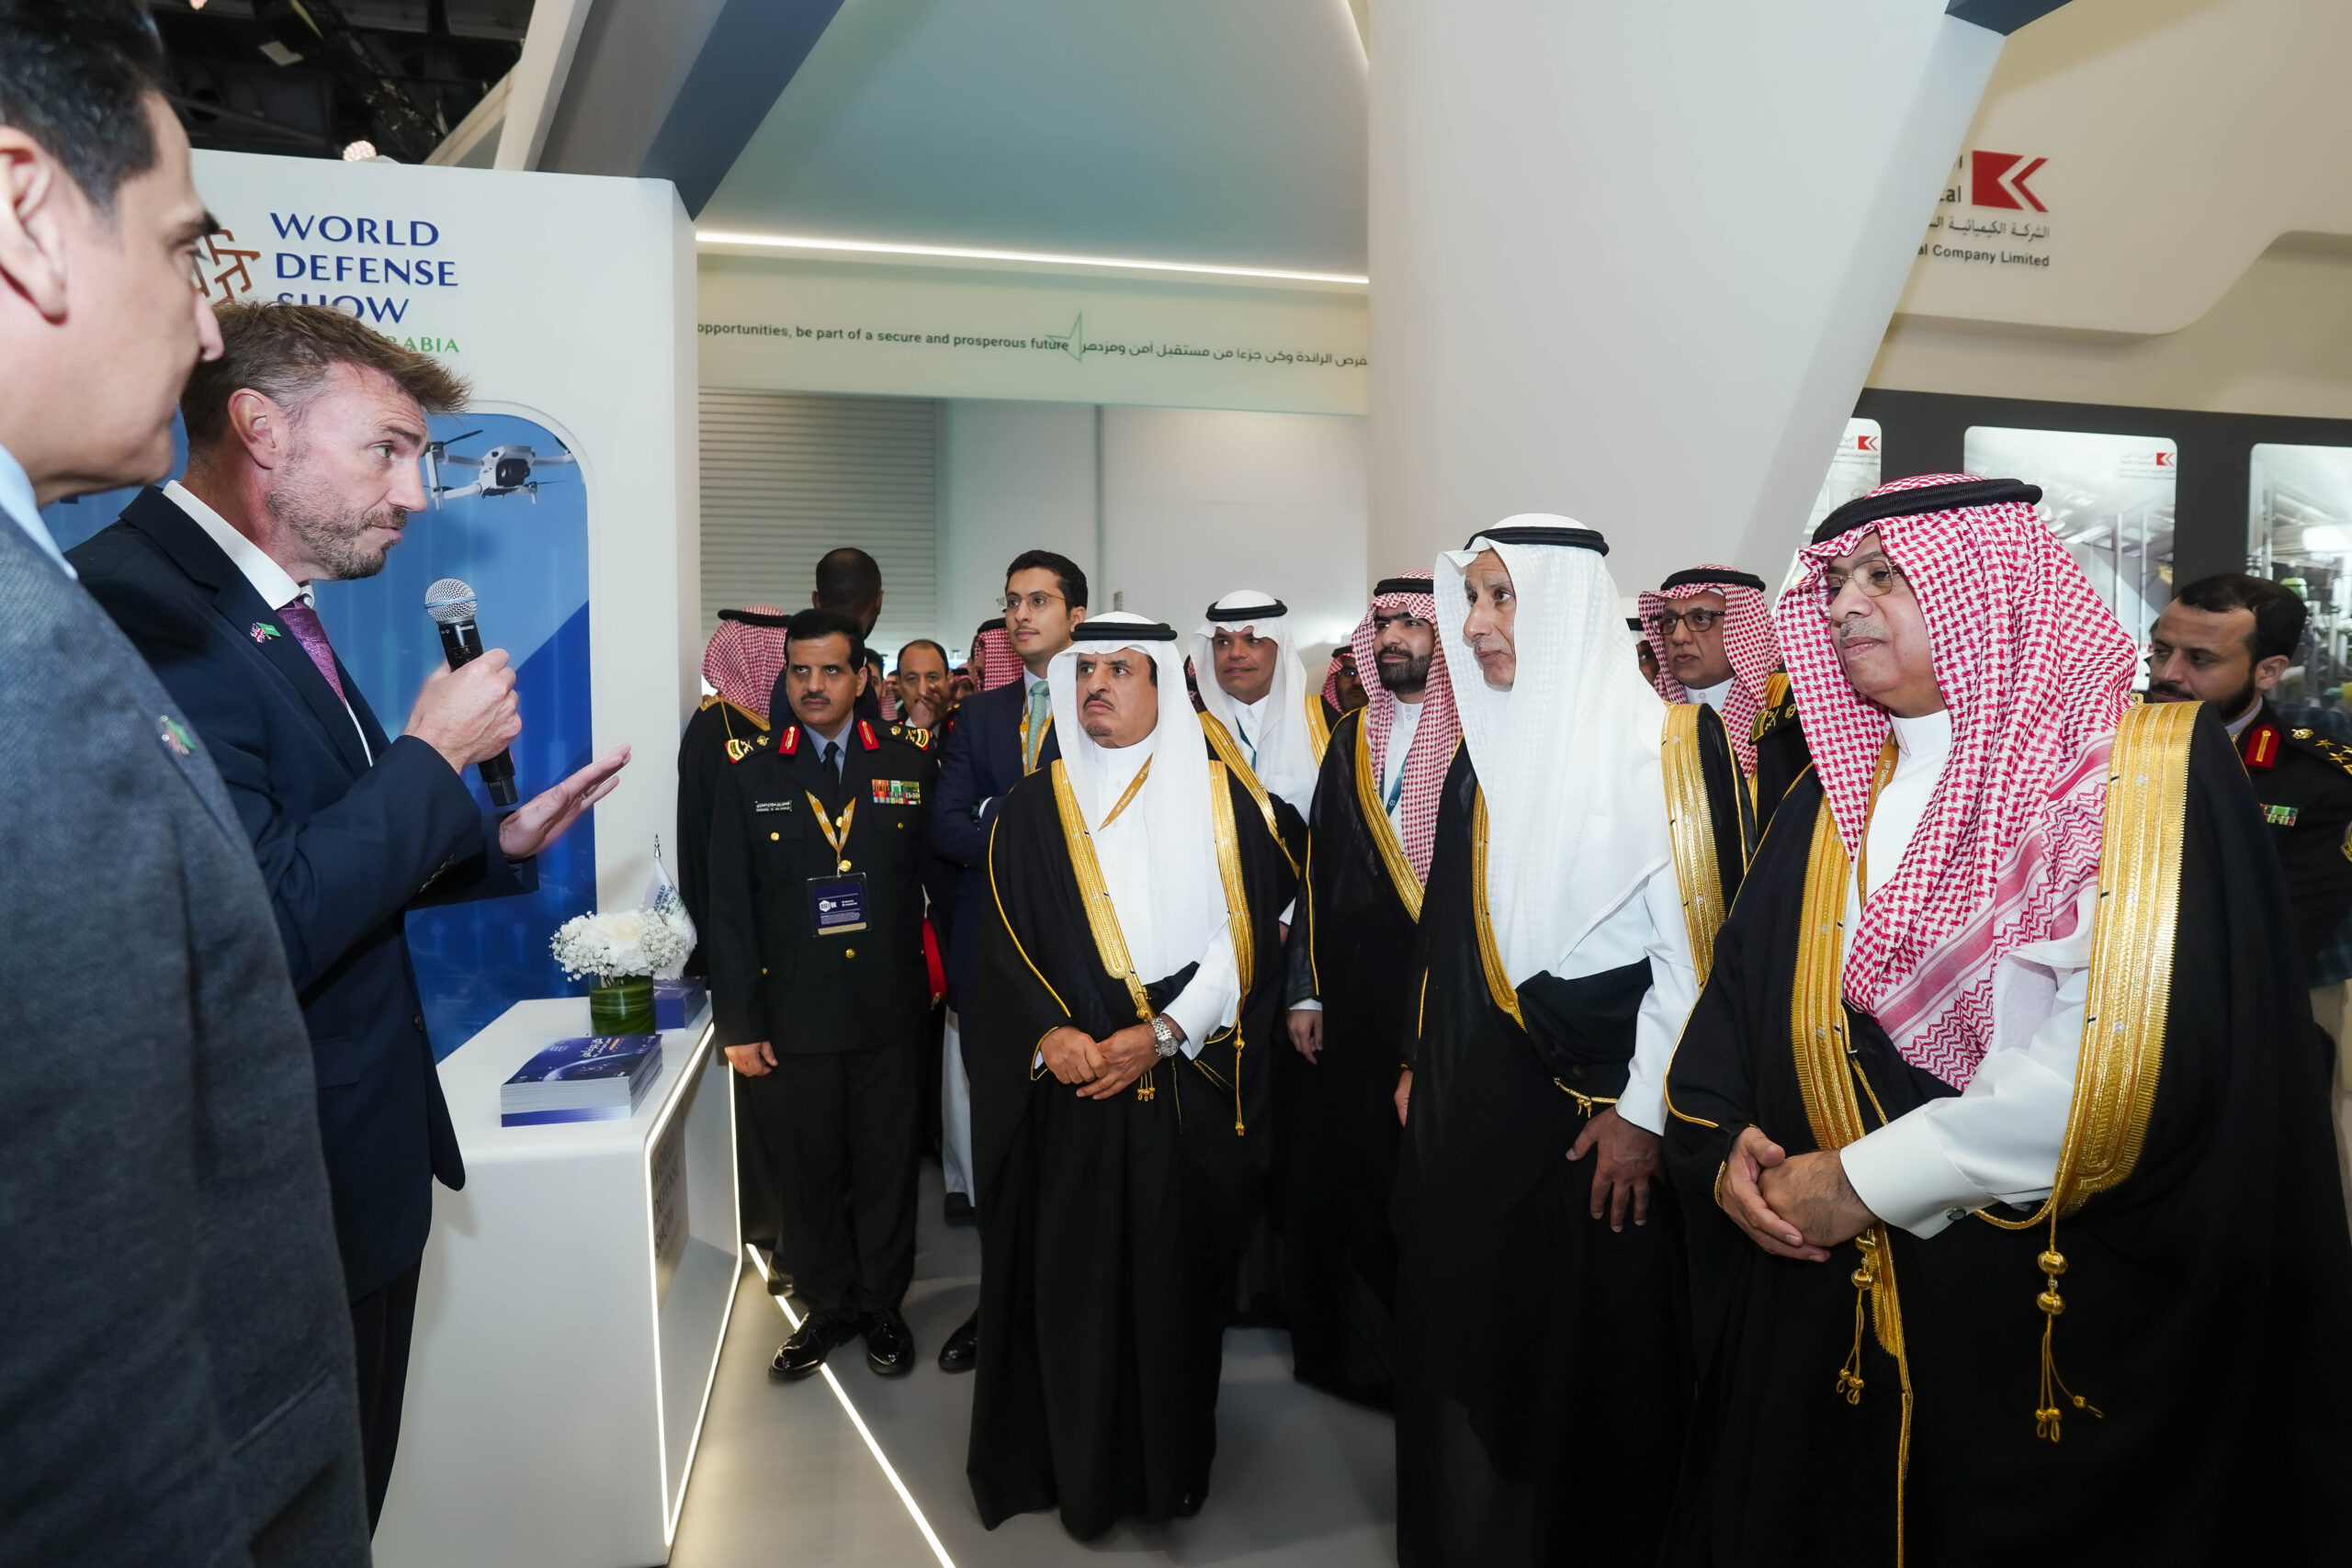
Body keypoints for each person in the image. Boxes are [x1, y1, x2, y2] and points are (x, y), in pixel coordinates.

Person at [1661, 477, 2352, 1564]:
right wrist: (1720, 1147)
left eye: (1885, 576)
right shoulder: (1826, 796)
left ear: (1989, 590)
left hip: (2035, 1300)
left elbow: (2122, 1060)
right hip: (1809, 1281)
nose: (1843, 604)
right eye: (1836, 580)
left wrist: (1862, 1181)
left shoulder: (2139, 783)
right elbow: (1738, 999)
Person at [70, 299, 629, 1528]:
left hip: (351, 1173)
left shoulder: (266, 607)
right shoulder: (145, 609)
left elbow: (317, 846)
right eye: (386, 450)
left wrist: (490, 840)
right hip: (271, 1198)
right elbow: (257, 920)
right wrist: (430, 759)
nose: (416, 494)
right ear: (261, 429)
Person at [0, 7, 370, 1560]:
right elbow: (84, 1336)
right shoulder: (27, 662)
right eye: (180, 250)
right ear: (28, 215)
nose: (208, 332)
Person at [1395, 518, 1702, 1568]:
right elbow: (1449, 942)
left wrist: (1642, 1118)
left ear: (1566, 606)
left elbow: (1691, 965)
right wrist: (1425, 1064)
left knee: (1596, 1372)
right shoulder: (1478, 766)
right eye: (1472, 598)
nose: (1477, 623)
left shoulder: (1664, 754)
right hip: (1488, 1114)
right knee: (1489, 1345)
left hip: (1601, 1129)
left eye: (1503, 596)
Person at [964, 613, 1299, 1537]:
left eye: (1120, 669)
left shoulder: (1224, 797)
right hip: (1071, 1085)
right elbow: (996, 944)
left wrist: (1169, 1030)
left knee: (1173, 1284)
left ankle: (1167, 1472)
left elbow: (1243, 938)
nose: (1097, 686)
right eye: (1085, 671)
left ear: (1160, 682)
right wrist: (1048, 1034)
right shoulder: (1032, 806)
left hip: (1180, 1078)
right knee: (1074, 1284)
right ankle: (1078, 1471)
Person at [705, 609, 936, 1380]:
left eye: (831, 670)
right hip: (792, 1015)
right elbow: (729, 910)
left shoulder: (908, 763)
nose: (814, 685)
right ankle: (828, 1305)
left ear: (862, 677)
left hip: (888, 1009)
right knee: (808, 1169)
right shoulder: (750, 773)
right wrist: (739, 1023)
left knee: (886, 1166)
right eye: (800, 670)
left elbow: (940, 886)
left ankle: (881, 1304)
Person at [1280, 572, 1460, 1408]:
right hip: (1353, 999)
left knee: (1426, 1180)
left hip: (1445, 994)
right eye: (1382, 623)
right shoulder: (1352, 736)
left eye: (1411, 624)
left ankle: (1429, 1366)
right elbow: (1319, 868)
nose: (1391, 638)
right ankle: (1358, 1356)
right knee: (1353, 1170)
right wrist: (1306, 990)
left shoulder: (1476, 735)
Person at [929, 549, 1091, 1368]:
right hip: (989, 962)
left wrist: (999, 816)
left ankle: (1073, 1313)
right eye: (1012, 601)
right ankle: (999, 1308)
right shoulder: (983, 714)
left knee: (1075, 1157)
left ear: (1076, 617)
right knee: (1000, 1146)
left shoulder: (1106, 702)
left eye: (1038, 600)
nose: (1021, 614)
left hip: (1082, 965)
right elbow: (945, 826)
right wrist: (1027, 824)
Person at [2147, 573, 2352, 982]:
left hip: (2258, 989)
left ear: (2268, 672)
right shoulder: (2107, 740)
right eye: (2161, 651)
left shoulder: (2319, 781)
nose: (2168, 674)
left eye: (2200, 659)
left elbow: (2281, 937)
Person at [676, 604, 793, 1291]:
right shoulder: (723, 733)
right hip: (748, 948)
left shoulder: (750, 728)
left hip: (767, 945)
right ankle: (772, 1233)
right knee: (764, 1105)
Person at [1641, 564, 1807, 834]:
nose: (1679, 637)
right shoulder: (1645, 712)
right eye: (1670, 621)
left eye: (1700, 618)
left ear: (1744, 628)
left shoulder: (1792, 713)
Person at [1192, 588, 1328, 827]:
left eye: (1253, 640)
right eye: (1223, 642)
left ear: (1279, 648)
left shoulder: (1325, 724)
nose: (1235, 653)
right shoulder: (1192, 733)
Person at [893, 636, 955, 732]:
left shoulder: (965, 732)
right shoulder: (886, 736)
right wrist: (913, 727)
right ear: (899, 685)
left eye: (932, 677)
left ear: (948, 681)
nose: (922, 690)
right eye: (912, 679)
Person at [1323, 642, 1368, 720]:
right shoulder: (1311, 721)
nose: (1358, 682)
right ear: (1334, 679)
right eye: (1349, 673)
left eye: (1367, 674)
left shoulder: (1391, 726)